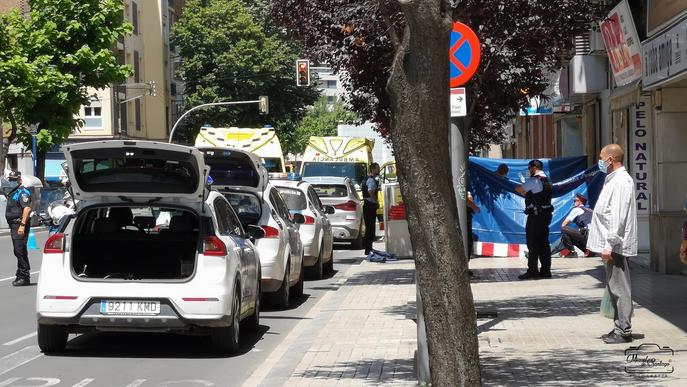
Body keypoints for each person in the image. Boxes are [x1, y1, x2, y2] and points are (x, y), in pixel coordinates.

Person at [588, 144, 637, 344]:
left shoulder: (621, 182)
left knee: (619, 287)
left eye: (601, 157)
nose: (599, 161)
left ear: (610, 159)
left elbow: (618, 216)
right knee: (613, 286)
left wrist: (610, 244)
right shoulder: (613, 180)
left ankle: (624, 330)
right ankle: (618, 326)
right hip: (611, 244)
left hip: (615, 245)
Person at [515, 159, 553, 280]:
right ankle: (546, 271)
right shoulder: (547, 179)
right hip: (546, 214)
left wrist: (525, 191)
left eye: (529, 168)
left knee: (532, 243)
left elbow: (519, 189)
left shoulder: (534, 180)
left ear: (534, 168)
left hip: (536, 215)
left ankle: (532, 271)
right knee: (544, 243)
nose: (528, 170)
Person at [4, 171, 33, 286]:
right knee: (18, 250)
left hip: (19, 225)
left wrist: (22, 225)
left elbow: (26, 209)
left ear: (19, 179)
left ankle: (25, 275)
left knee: (20, 250)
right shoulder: (13, 192)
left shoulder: (23, 192)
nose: (11, 181)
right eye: (10, 179)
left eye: (14, 179)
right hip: (13, 225)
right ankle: (20, 274)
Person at [558, 193, 593, 258]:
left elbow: (564, 224)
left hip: (588, 239)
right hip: (595, 241)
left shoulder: (576, 209)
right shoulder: (591, 210)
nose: (574, 202)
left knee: (564, 229)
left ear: (579, 202)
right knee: (569, 234)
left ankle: (572, 252)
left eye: (575, 201)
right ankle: (590, 252)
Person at [362, 163, 380, 255]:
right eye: (377, 169)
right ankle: (368, 249)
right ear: (372, 169)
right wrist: (376, 201)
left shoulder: (366, 179)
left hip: (367, 205)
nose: (379, 170)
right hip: (370, 205)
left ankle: (368, 248)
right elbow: (370, 191)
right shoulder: (371, 180)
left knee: (370, 227)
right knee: (370, 228)